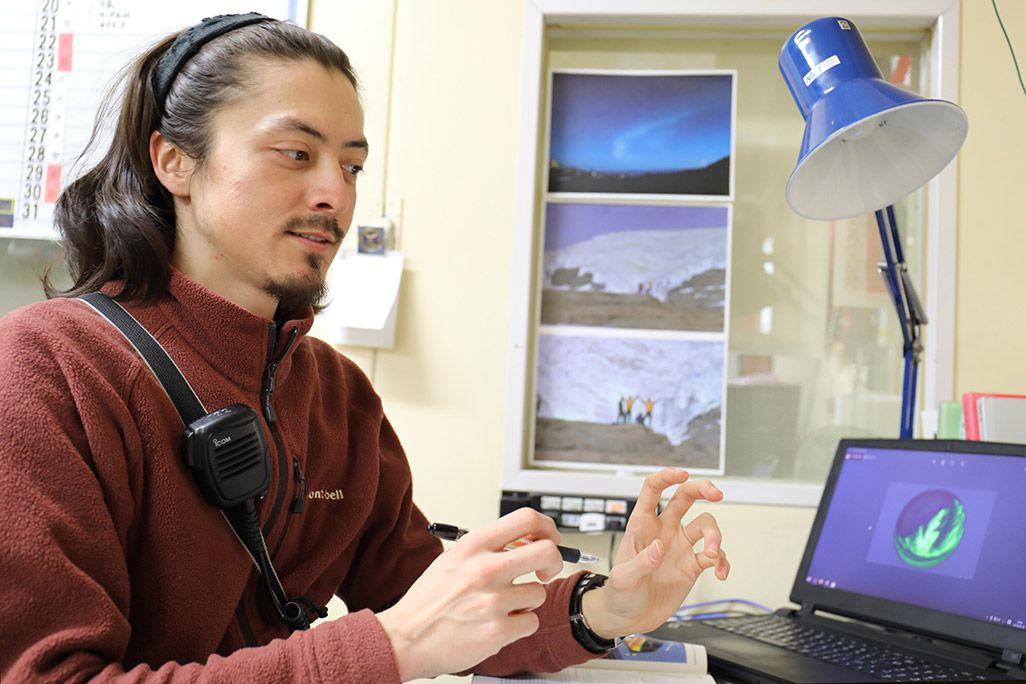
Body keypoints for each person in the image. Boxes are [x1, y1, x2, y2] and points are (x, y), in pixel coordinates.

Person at [0, 14, 730, 682]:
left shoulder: (337, 395)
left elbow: (436, 606)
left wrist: (606, 608)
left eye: (351, 165)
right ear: (174, 162)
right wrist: (392, 645)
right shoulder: (44, 370)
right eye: (296, 153)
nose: (336, 195)